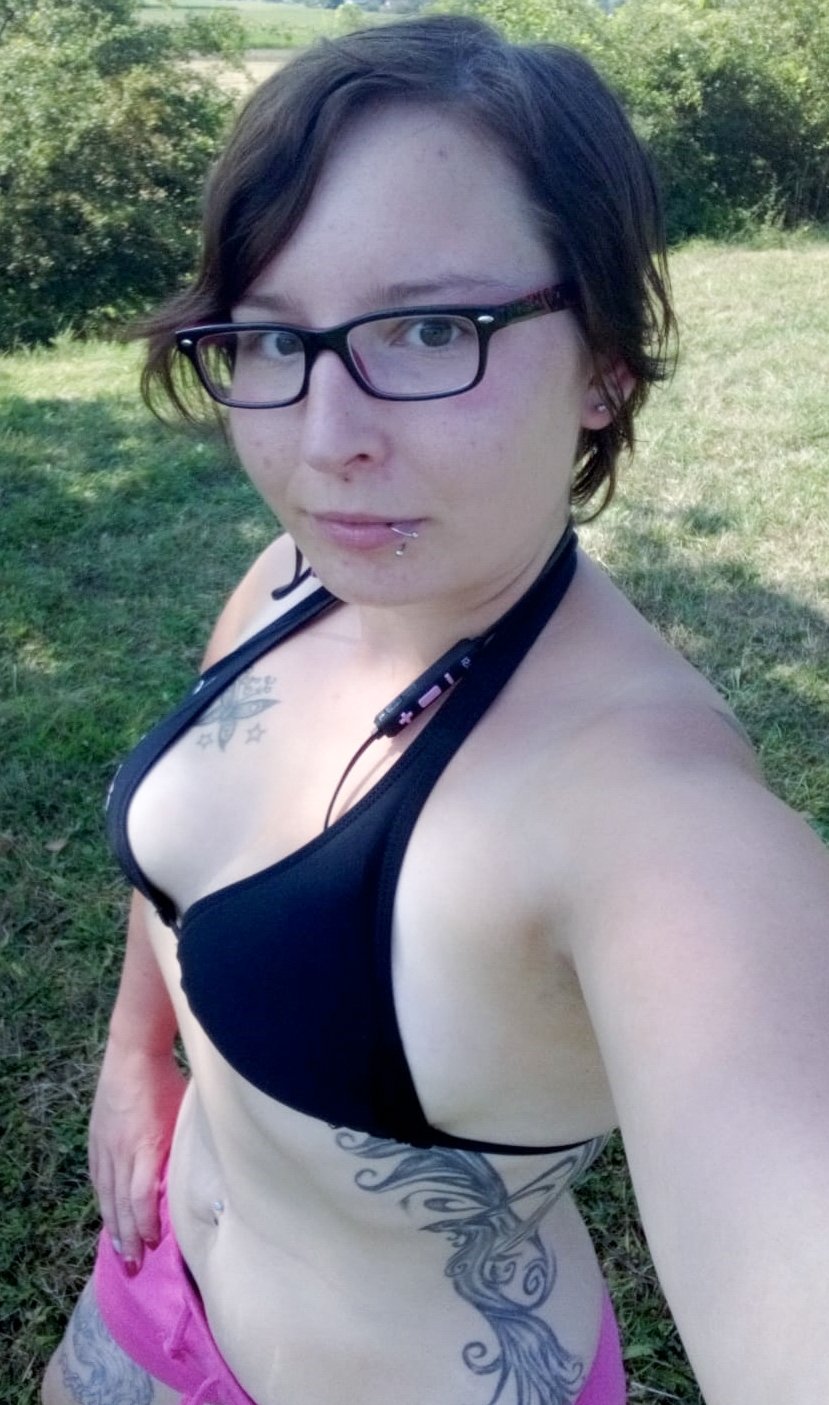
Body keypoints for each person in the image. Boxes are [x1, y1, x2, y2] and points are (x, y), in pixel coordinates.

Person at [42, 14, 829, 1405]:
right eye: (268, 340)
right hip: (145, 1303)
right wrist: (131, 1051)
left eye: (427, 328)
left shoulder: (658, 823)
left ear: (605, 364)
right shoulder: (287, 581)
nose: (323, 439)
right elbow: (181, 874)